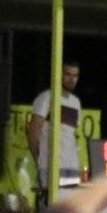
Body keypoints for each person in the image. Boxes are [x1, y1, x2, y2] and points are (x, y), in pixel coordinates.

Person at [29, 61, 83, 194]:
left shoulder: (76, 102)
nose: (71, 79)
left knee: (68, 209)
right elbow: (33, 134)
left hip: (71, 167)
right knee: (51, 207)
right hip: (51, 166)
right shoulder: (46, 97)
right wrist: (41, 161)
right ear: (59, 74)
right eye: (68, 74)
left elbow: (72, 135)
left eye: (75, 76)